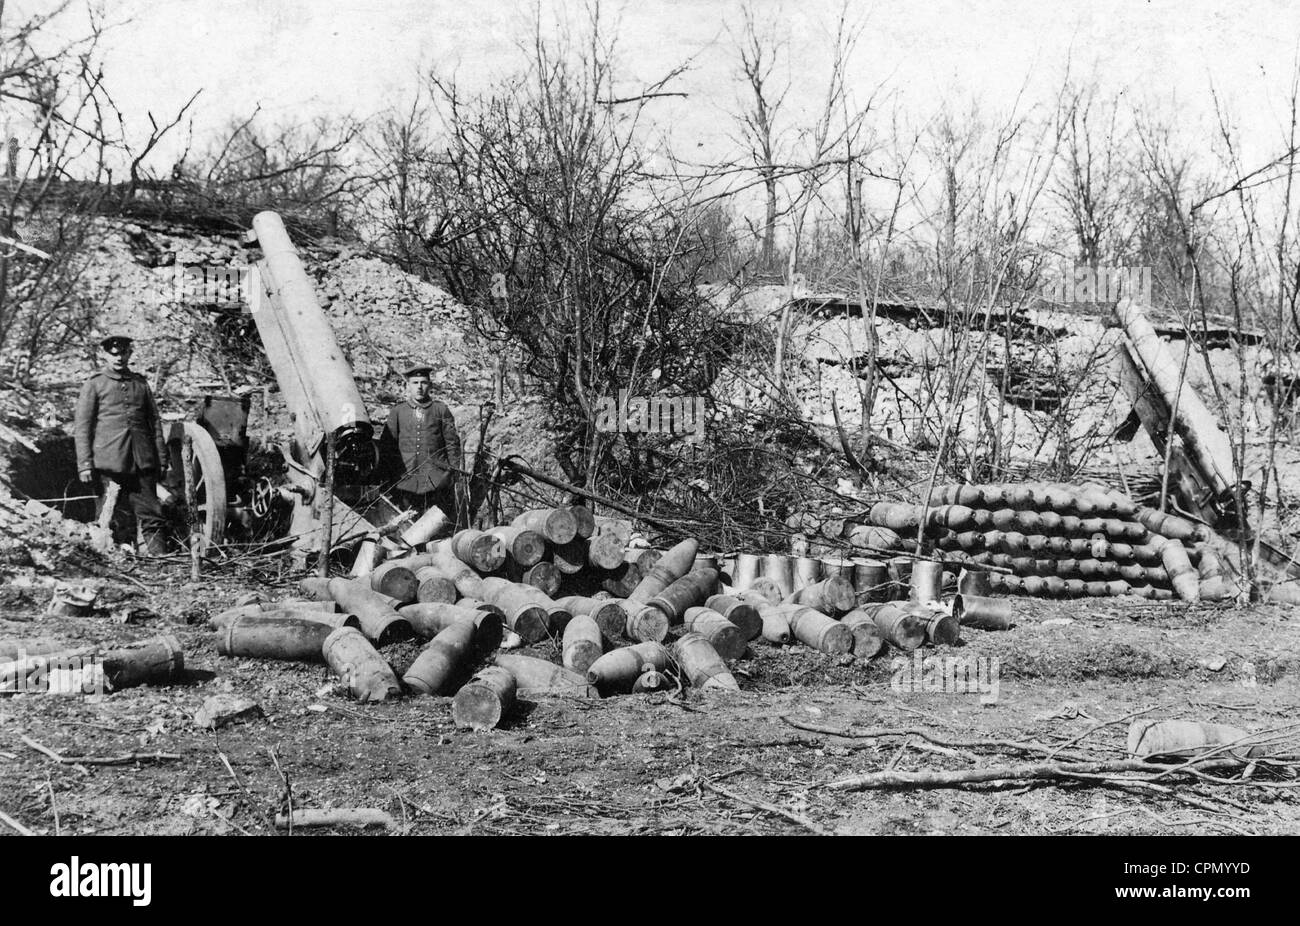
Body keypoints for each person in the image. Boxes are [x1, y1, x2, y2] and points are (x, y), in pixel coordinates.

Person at [74, 333, 169, 554]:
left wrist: (161, 460)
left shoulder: (140, 384)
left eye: (123, 353)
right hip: (108, 462)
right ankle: (109, 559)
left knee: (152, 514)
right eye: (113, 354)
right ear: (105, 355)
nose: (118, 358)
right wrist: (85, 464)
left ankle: (162, 562)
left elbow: (154, 423)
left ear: (130, 353)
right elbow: (83, 427)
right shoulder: (95, 384)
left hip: (141, 462)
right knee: (108, 515)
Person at [380, 363, 463, 521]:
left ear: (430, 385)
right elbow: (387, 448)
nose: (419, 387)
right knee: (407, 526)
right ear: (407, 386)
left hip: (437, 481)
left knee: (436, 528)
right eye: (415, 383)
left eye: (423, 383)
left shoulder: (440, 410)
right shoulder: (398, 412)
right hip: (405, 483)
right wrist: (389, 478)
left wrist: (453, 474)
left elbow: (452, 445)